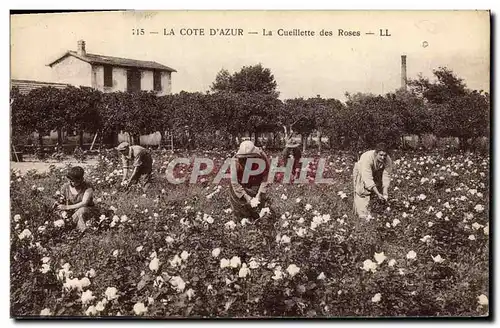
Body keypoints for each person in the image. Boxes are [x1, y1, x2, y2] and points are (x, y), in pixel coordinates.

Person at [229, 140, 271, 220]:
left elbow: (266, 177)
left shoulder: (262, 157)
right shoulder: (235, 161)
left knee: (258, 210)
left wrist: (259, 194)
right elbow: (235, 182)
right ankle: (241, 217)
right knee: (240, 210)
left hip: (256, 181)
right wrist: (246, 196)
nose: (247, 161)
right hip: (242, 183)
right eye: (244, 159)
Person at [352, 143, 393, 219]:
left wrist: (385, 192)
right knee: (362, 191)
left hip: (376, 171)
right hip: (361, 172)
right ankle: (362, 216)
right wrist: (377, 193)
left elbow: (386, 176)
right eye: (380, 155)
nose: (383, 157)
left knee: (379, 189)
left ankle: (374, 213)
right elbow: (367, 178)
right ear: (376, 153)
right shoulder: (367, 158)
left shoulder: (387, 159)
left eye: (385, 155)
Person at [56, 166, 96, 232]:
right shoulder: (65, 187)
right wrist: (62, 209)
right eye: (71, 181)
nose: (72, 183)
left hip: (87, 210)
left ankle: (73, 227)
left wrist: (67, 207)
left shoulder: (88, 187)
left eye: (75, 181)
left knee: (82, 211)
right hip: (71, 211)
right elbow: (61, 200)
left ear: (81, 180)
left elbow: (84, 203)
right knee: (58, 212)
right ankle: (67, 224)